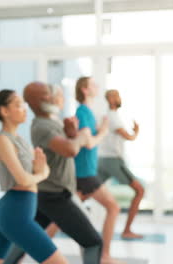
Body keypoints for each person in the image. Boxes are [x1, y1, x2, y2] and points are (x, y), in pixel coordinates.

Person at [3, 82, 103, 264]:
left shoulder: (53, 121)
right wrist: (83, 135)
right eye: (48, 94)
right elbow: (70, 150)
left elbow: (68, 147)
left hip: (48, 193)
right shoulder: (41, 126)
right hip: (55, 196)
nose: (55, 96)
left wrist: (72, 133)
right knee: (93, 242)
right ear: (41, 100)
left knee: (26, 238)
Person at [0, 89, 68, 264]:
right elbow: (23, 180)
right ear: (4, 111)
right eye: (19, 105)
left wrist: (38, 170)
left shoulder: (19, 139)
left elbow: (32, 175)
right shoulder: (3, 140)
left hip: (15, 209)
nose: (24, 109)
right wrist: (42, 173)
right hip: (15, 212)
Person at [74, 77, 122, 264]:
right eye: (94, 85)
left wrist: (101, 129)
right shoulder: (83, 111)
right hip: (85, 172)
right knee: (113, 207)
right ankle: (104, 256)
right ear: (85, 90)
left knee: (56, 218)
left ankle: (25, 249)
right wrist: (103, 131)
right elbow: (88, 142)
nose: (97, 87)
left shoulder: (88, 112)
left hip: (85, 171)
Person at [98, 89, 144, 239]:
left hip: (105, 159)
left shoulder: (111, 116)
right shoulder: (112, 117)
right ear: (110, 99)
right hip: (113, 161)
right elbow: (128, 137)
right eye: (116, 96)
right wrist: (136, 132)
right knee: (140, 191)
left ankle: (58, 218)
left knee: (85, 192)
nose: (119, 98)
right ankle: (127, 231)